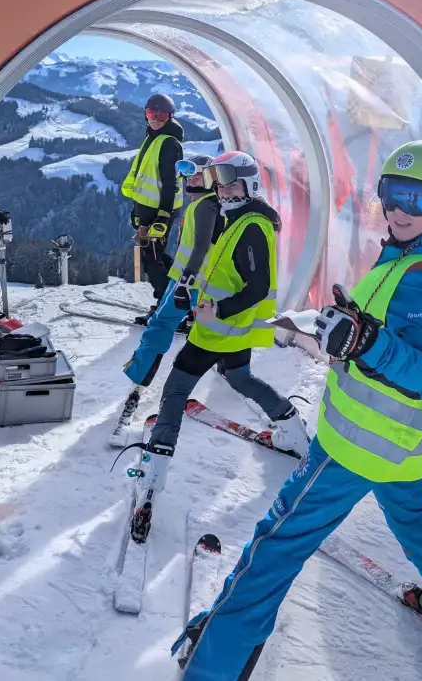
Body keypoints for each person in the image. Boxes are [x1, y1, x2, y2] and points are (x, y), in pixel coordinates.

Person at [173, 142, 422, 681]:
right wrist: (349, 329)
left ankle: (214, 665)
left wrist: (365, 342)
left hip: (356, 443)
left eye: (415, 198)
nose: (398, 210)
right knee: (415, 521)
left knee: (279, 541)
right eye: (391, 195)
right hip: (397, 445)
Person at [134, 150, 310, 524]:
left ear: (248, 184)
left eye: (231, 183)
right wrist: (191, 289)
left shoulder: (250, 226)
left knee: (177, 389)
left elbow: (256, 285)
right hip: (230, 328)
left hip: (220, 328)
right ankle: (292, 428)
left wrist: (218, 311)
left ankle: (154, 470)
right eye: (220, 184)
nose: (225, 191)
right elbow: (224, 270)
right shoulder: (240, 217)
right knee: (239, 377)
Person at [122, 155, 222, 388]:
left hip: (190, 280)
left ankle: (139, 374)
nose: (194, 180)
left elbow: (201, 247)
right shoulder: (208, 203)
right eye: (191, 175)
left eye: (201, 175)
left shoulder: (206, 206)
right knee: (173, 324)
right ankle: (229, 368)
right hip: (189, 278)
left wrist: (186, 280)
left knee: (161, 324)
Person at [121, 93, 184, 323]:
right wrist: (138, 212)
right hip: (148, 210)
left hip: (159, 211)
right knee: (155, 257)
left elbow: (170, 183)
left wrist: (163, 217)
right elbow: (146, 179)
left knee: (153, 260)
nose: (155, 119)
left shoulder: (168, 143)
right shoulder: (154, 137)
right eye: (151, 113)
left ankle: (168, 310)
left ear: (170, 117)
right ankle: (177, 300)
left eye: (161, 115)